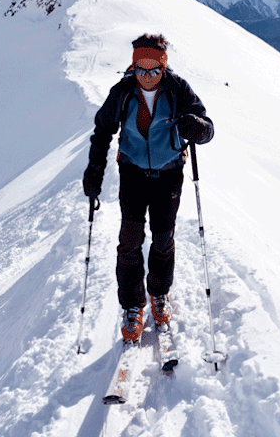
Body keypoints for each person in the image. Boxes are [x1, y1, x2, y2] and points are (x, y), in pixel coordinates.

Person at [83, 33, 214, 342]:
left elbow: (207, 128)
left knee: (162, 238)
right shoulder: (123, 93)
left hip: (169, 174)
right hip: (132, 173)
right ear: (133, 66)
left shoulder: (178, 89)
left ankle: (158, 293)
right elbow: (102, 131)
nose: (147, 75)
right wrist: (94, 172)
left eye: (155, 69)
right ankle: (132, 306)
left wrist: (196, 126)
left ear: (164, 66)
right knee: (129, 241)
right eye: (141, 68)